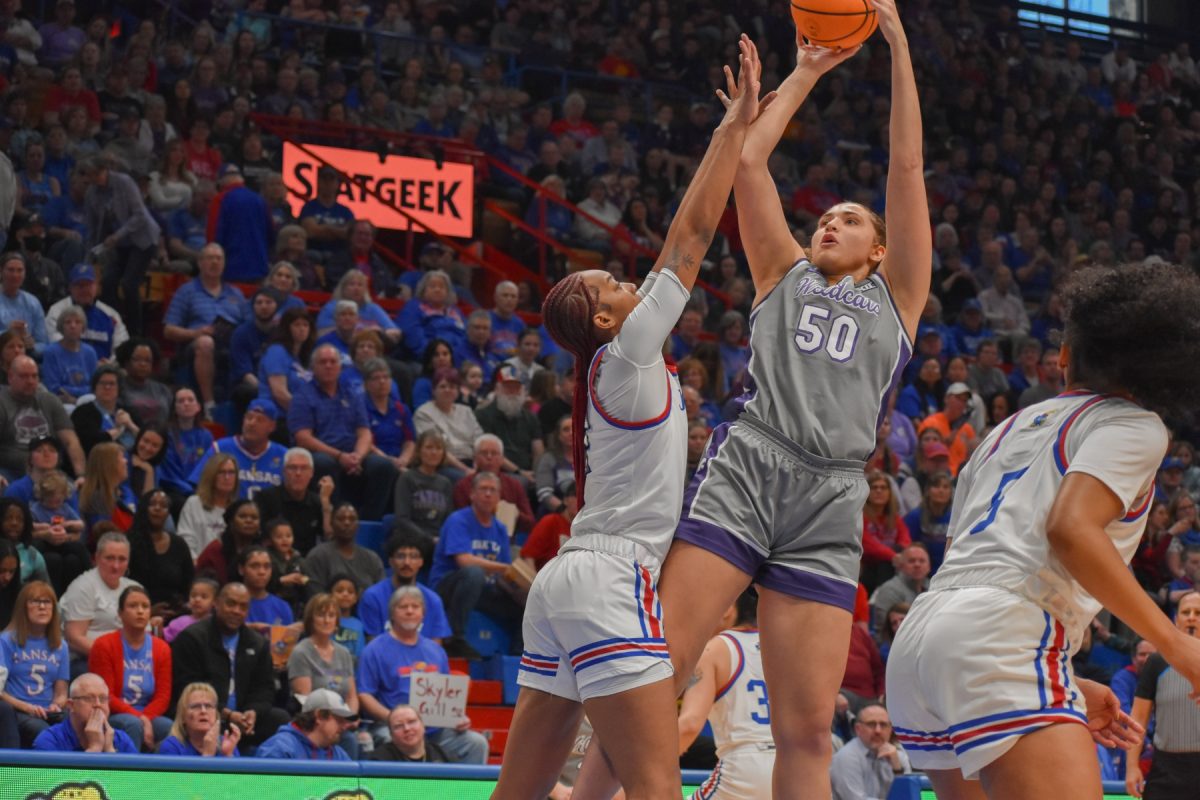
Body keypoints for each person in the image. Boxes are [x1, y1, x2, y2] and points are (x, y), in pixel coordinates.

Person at [636, 12, 930, 800]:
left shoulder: (899, 299)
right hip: (753, 461)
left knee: (804, 730)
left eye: (851, 220)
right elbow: (751, 160)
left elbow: (906, 168)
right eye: (824, 217)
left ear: (879, 249)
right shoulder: (782, 270)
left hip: (831, 494)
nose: (831, 221)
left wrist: (897, 46)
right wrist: (806, 71)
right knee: (654, 671)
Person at [494, 34, 769, 800]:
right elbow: (687, 240)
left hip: (565, 584)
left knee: (519, 793)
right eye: (614, 281)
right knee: (655, 790)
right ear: (608, 319)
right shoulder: (629, 354)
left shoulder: (608, 369)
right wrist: (731, 129)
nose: (629, 279)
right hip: (612, 578)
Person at [886, 263, 1200, 799]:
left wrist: (1066, 684)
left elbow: (982, 567)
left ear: (1063, 356)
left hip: (923, 642)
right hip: (1003, 635)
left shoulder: (1000, 431)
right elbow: (1070, 530)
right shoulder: (1132, 424)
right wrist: (1176, 645)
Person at [356, 585, 487, 763]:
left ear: (423, 614)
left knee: (476, 743)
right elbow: (364, 694)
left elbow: (446, 696)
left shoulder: (436, 651)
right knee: (388, 739)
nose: (410, 611)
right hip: (394, 728)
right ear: (392, 614)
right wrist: (394, 719)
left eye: (415, 607)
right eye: (403, 607)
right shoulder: (374, 650)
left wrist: (456, 718)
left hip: (435, 730)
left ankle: (468, 792)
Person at [677, 591, 773, 800]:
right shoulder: (780, 647)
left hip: (745, 766)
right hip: (791, 763)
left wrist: (644, 767)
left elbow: (690, 724)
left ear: (728, 607)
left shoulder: (715, 648)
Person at [170, 582, 290, 749]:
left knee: (280, 719)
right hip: (205, 715)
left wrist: (253, 712)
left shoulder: (258, 643)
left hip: (244, 720)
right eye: (231, 603)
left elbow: (264, 689)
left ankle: (268, 771)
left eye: (243, 606)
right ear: (217, 603)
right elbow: (186, 689)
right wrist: (226, 714)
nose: (236, 611)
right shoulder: (192, 638)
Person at [289, 344, 398, 521]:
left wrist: (358, 457)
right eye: (323, 362)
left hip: (352, 453)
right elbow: (303, 438)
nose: (328, 366)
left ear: (340, 367)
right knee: (323, 463)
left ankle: (368, 522)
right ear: (313, 367)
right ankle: (334, 519)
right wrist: (340, 456)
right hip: (322, 451)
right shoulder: (303, 396)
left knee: (383, 466)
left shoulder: (352, 393)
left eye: (333, 362)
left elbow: (364, 432)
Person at [162, 242, 249, 413]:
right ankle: (209, 404)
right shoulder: (186, 291)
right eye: (210, 258)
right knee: (205, 342)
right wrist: (196, 332)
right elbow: (169, 330)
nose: (215, 262)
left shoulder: (236, 294)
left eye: (219, 259)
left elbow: (247, 324)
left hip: (230, 343)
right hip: (195, 344)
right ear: (200, 263)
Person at [80, 156, 160, 334]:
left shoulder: (124, 182)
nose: (95, 179)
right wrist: (88, 256)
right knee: (108, 282)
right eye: (91, 176)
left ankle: (134, 332)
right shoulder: (92, 193)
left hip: (142, 239)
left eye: (97, 174)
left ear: (105, 170)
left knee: (129, 283)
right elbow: (92, 228)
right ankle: (113, 326)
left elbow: (139, 215)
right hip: (119, 244)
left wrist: (117, 235)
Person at [87, 585, 173, 750]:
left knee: (169, 727)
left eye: (145, 606)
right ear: (120, 613)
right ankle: (128, 775)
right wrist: (141, 719)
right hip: (113, 714)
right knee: (133, 725)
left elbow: (163, 696)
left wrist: (145, 718)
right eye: (133, 606)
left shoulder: (162, 648)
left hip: (149, 714)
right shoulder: (104, 645)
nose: (140, 611)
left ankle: (162, 775)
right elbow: (106, 696)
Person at [288, 593, 360, 757]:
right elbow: (306, 700)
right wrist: (336, 720)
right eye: (321, 615)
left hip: (340, 722)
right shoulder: (301, 652)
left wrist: (350, 717)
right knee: (349, 740)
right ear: (310, 620)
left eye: (331, 615)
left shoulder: (344, 653)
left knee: (359, 739)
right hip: (315, 722)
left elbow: (352, 696)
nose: (327, 620)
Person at [0, 581, 69, 747]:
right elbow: (0, 691)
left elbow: (61, 691)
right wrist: (28, 707)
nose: (42, 607)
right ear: (23, 607)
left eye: (47, 602)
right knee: (41, 730)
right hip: (18, 710)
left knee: (74, 723)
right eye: (35, 601)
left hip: (48, 712)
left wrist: (56, 705)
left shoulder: (61, 645)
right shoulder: (7, 641)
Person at [60, 532, 139, 674]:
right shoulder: (83, 587)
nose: (116, 566)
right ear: (96, 558)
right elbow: (74, 638)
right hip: (86, 660)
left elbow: (144, 633)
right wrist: (115, 658)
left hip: (128, 660)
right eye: (109, 558)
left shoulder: (134, 588)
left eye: (122, 559)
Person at [0, 355, 86, 480]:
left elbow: (71, 441)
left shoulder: (49, 400)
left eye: (34, 376)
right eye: (24, 376)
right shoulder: (2, 402)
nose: (30, 381)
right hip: (11, 472)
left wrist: (81, 476)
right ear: (10, 377)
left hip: (51, 472)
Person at [188, 399, 287, 500]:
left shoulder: (284, 455)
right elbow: (198, 485)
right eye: (249, 418)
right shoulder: (220, 448)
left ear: (272, 426)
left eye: (259, 420)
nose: (252, 423)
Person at [359, 532, 451, 641]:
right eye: (401, 556)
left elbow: (436, 649)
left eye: (413, 556)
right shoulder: (373, 596)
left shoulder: (433, 600)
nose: (407, 562)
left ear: (421, 562)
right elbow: (372, 646)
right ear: (391, 561)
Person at [31, 672, 139, 753]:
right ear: (71, 705)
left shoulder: (121, 740)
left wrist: (110, 751)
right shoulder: (50, 740)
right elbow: (56, 783)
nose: (98, 704)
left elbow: (135, 782)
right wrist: (94, 749)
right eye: (89, 698)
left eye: (103, 699)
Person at [255, 448, 334, 556]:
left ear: (311, 473)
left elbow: (329, 538)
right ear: (284, 472)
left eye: (304, 468)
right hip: (273, 561)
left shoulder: (317, 501)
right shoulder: (265, 498)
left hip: (307, 563)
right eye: (292, 468)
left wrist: (325, 503)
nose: (298, 473)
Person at [44, 263, 129, 362]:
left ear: (96, 286)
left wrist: (109, 365)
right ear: (70, 288)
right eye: (80, 285)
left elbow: (122, 348)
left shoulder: (111, 314)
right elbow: (56, 344)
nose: (84, 290)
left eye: (89, 284)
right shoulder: (57, 311)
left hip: (105, 371)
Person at [452, 434, 535, 535]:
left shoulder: (514, 485)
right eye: (484, 453)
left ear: (502, 459)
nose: (489, 457)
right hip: (472, 540)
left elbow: (530, 523)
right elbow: (460, 522)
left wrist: (514, 513)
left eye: (494, 453)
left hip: (506, 542)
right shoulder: (463, 485)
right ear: (475, 458)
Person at [126, 489, 193, 611]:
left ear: (168, 513)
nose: (158, 508)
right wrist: (149, 610)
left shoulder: (179, 544)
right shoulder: (128, 543)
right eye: (152, 504)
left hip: (174, 615)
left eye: (164, 505)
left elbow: (188, 585)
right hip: (138, 612)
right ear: (143, 508)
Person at [829, 703, 912, 800]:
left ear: (890, 729)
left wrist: (897, 770)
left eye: (883, 725)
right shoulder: (846, 758)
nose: (878, 731)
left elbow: (909, 796)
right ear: (858, 729)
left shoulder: (898, 757)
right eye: (871, 724)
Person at [256, 687, 355, 760]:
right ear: (319, 716)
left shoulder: (339, 754)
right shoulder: (279, 748)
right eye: (339, 720)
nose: (345, 726)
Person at [304, 503, 384, 593]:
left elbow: (381, 595)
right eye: (341, 519)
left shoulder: (372, 559)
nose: (347, 523)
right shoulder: (317, 556)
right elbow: (316, 597)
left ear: (358, 525)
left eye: (352, 519)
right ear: (331, 523)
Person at [392, 430, 454, 545]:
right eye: (429, 447)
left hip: (438, 541)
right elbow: (402, 519)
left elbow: (448, 521)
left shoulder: (446, 483)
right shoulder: (407, 478)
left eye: (438, 448)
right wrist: (429, 539)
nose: (434, 452)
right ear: (419, 451)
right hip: (412, 539)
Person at [178, 453, 239, 559]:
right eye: (221, 472)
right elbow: (185, 541)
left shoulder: (238, 509)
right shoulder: (194, 503)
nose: (227, 477)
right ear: (211, 476)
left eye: (231, 472)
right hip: (198, 567)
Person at [158, 681, 242, 756]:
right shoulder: (171, 746)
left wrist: (227, 755)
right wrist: (207, 755)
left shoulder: (226, 743)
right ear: (183, 717)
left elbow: (238, 773)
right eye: (196, 706)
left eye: (208, 706)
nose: (203, 711)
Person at [195, 500, 261, 585]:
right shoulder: (214, 551)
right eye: (242, 516)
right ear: (231, 521)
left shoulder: (263, 551)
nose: (249, 521)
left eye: (254, 518)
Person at [868, 543, 929, 634]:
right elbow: (887, 630)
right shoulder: (889, 590)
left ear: (929, 567)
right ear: (901, 566)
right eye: (911, 561)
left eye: (922, 561)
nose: (917, 565)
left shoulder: (934, 587)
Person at [368, 704, 451, 763]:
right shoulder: (380, 760)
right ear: (391, 735)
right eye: (399, 726)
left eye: (412, 722)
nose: (407, 728)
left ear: (423, 726)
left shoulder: (442, 754)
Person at [162, 577, 218, 643]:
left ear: (215, 601)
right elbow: (163, 638)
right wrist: (157, 626)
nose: (197, 600)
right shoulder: (180, 622)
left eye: (204, 597)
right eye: (193, 596)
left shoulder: (218, 624)